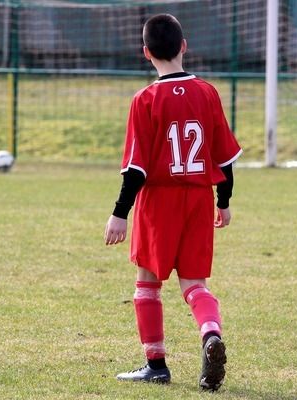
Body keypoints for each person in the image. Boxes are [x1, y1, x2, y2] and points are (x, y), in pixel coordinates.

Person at [104, 14, 242, 392]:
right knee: (194, 283)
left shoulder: (145, 99)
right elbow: (225, 158)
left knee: (147, 282)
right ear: (184, 46)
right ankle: (210, 332)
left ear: (146, 53)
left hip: (159, 201)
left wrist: (120, 213)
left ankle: (156, 364)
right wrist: (224, 201)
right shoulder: (208, 92)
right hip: (198, 198)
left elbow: (135, 168)